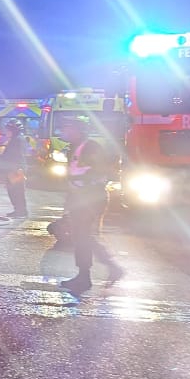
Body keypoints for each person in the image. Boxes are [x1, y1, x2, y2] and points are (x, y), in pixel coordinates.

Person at [59, 116, 123, 293]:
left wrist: (81, 182)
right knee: (82, 236)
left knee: (83, 236)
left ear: (79, 130)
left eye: (68, 128)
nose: (64, 132)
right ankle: (91, 273)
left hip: (91, 199)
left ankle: (89, 275)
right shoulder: (74, 148)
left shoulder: (91, 147)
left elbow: (100, 172)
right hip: (80, 198)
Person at [0, 119, 29, 218]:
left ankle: (21, 211)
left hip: (16, 169)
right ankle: (18, 210)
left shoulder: (18, 140)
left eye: (8, 129)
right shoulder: (15, 139)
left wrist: (18, 169)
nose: (6, 131)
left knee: (17, 191)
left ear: (14, 130)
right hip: (13, 168)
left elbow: (17, 155)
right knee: (13, 191)